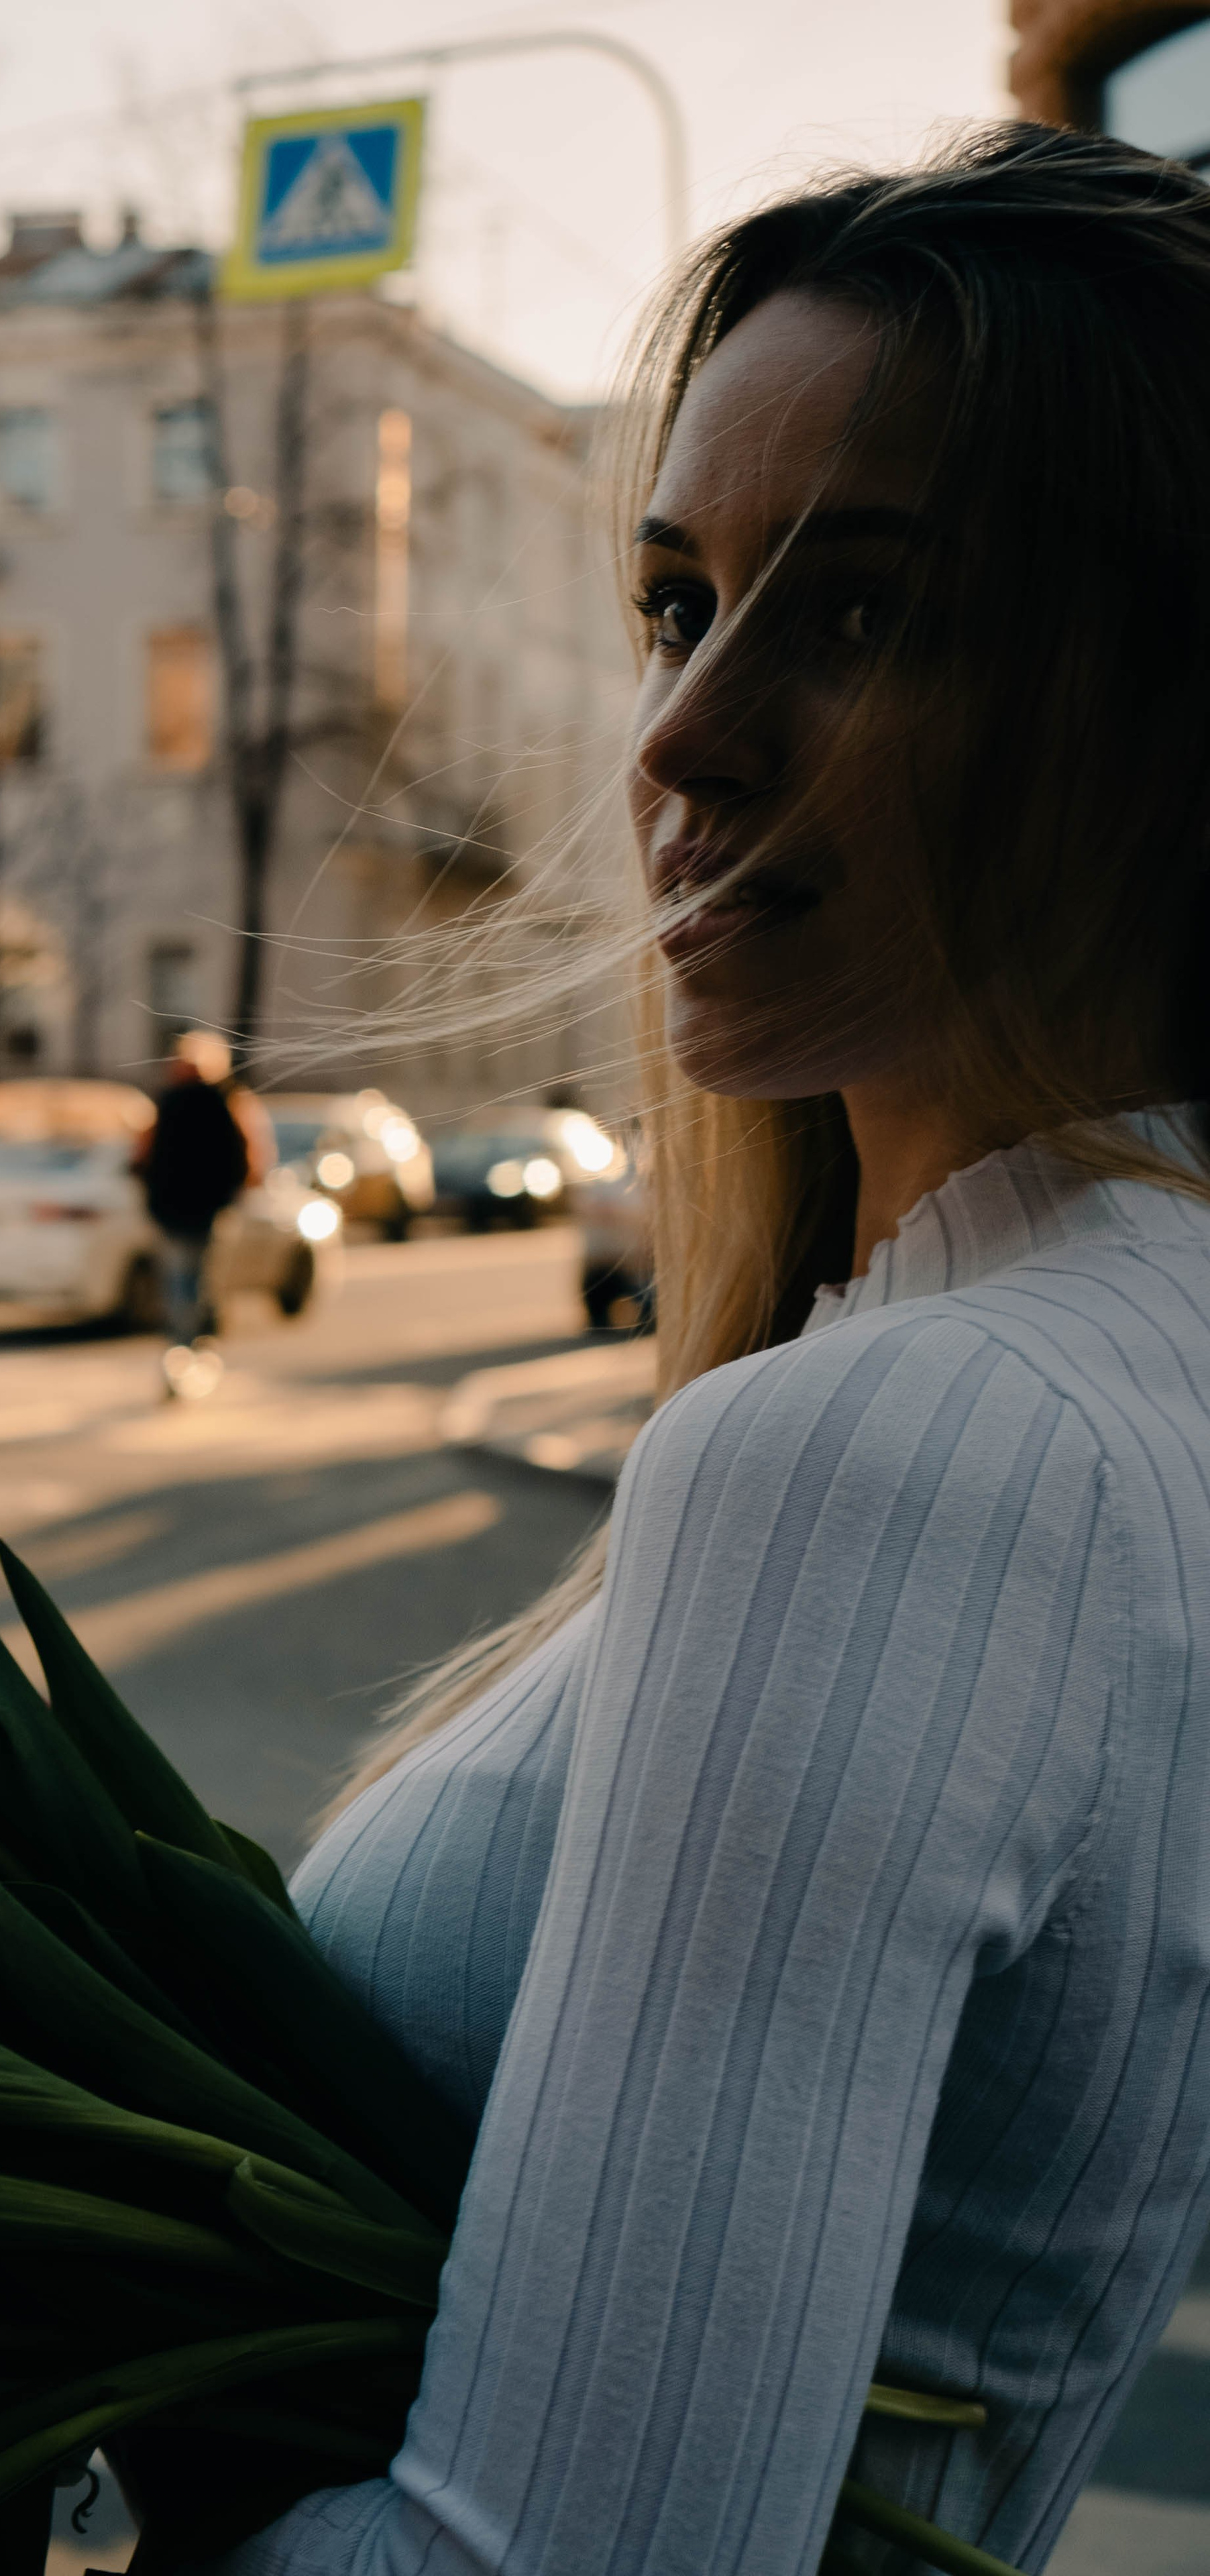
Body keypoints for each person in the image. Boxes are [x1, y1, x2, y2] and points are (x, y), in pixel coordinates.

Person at [180, 127, 1210, 2575]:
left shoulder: (903, 1443)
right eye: (677, 602)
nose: (679, 740)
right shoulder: (1112, 1355)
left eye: (860, 614)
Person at [134, 1029, 267, 1395]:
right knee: (197, 1278)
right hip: (206, 1208)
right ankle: (193, 1346)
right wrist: (233, 1192)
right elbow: (249, 1157)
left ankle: (182, 1348)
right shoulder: (228, 1102)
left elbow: (142, 1155)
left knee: (180, 1280)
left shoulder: (168, 1102)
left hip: (171, 1208)